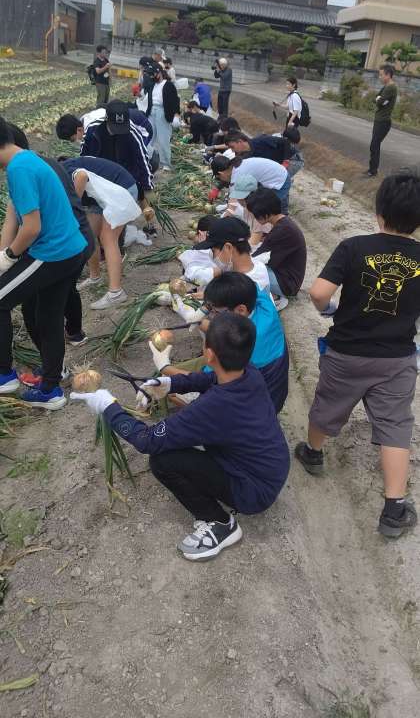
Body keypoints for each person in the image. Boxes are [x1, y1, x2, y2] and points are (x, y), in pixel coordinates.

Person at [71, 312, 290, 561]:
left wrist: (108, 406)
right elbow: (210, 378)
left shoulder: (212, 408)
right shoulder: (249, 373)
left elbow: (146, 440)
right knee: (186, 445)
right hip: (271, 469)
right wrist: (169, 384)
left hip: (253, 491)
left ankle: (221, 523)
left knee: (162, 461)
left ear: (209, 354)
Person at [295, 172, 420, 539]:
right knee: (395, 424)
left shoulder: (353, 247)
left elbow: (318, 293)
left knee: (329, 404)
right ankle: (394, 508)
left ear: (378, 211)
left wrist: (328, 310)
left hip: (347, 352)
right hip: (397, 358)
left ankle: (313, 453)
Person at [0, 117, 87, 409]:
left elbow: (32, 228)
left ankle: (4, 375)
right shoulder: (28, 159)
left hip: (53, 252)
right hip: (70, 248)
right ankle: (51, 388)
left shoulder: (19, 169)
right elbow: (18, 222)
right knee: (47, 317)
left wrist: (9, 256)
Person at [157, 272, 289, 414]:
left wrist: (165, 367)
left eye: (216, 312)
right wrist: (209, 302)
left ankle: (212, 421)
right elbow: (250, 285)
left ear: (241, 310)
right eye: (210, 309)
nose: (212, 315)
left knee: (173, 390)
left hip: (255, 407)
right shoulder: (262, 303)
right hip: (273, 388)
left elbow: (206, 380)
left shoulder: (239, 343)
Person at [59, 155, 138, 309]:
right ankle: (95, 277)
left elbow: (82, 176)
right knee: (88, 234)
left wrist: (72, 209)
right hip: (102, 195)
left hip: (122, 189)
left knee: (108, 238)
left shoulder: (63, 170)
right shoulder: (61, 168)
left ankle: (116, 293)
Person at [247, 187, 307, 309]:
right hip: (287, 276)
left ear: (264, 215)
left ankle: (276, 297)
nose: (254, 218)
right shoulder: (284, 224)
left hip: (287, 284)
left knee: (247, 271)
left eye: (255, 215)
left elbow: (257, 257)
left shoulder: (282, 230)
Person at [191, 216, 270, 292]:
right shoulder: (257, 266)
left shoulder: (240, 287)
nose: (211, 255)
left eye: (213, 251)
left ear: (228, 248)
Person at [211, 151, 291, 213]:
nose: (221, 180)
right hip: (275, 174)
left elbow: (235, 204)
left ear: (221, 173)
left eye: (219, 178)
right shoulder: (236, 165)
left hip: (281, 181)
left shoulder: (238, 176)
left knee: (265, 210)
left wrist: (224, 216)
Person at [56, 107, 153, 148]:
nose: (75, 142)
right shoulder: (83, 121)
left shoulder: (94, 128)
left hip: (141, 126)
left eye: (73, 139)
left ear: (79, 130)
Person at [145, 65, 180, 171]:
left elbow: (175, 100)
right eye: (150, 75)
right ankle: (148, 158)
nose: (151, 77)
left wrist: (176, 114)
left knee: (163, 138)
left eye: (153, 74)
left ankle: (165, 163)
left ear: (159, 72)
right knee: (149, 136)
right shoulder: (152, 85)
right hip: (152, 111)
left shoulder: (168, 85)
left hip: (163, 111)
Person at [365, 64, 397, 178]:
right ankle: (372, 169)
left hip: (383, 121)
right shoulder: (386, 86)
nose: (380, 77)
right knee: (374, 145)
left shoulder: (391, 87)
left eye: (381, 75)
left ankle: (373, 171)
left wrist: (380, 100)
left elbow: (379, 102)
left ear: (388, 75)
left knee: (374, 145)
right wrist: (380, 100)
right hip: (379, 120)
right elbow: (377, 98)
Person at [226, 128, 300, 165]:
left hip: (294, 158)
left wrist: (285, 162)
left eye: (232, 147)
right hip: (279, 162)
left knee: (281, 180)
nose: (232, 150)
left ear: (239, 142)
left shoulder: (261, 140)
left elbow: (286, 142)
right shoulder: (245, 155)